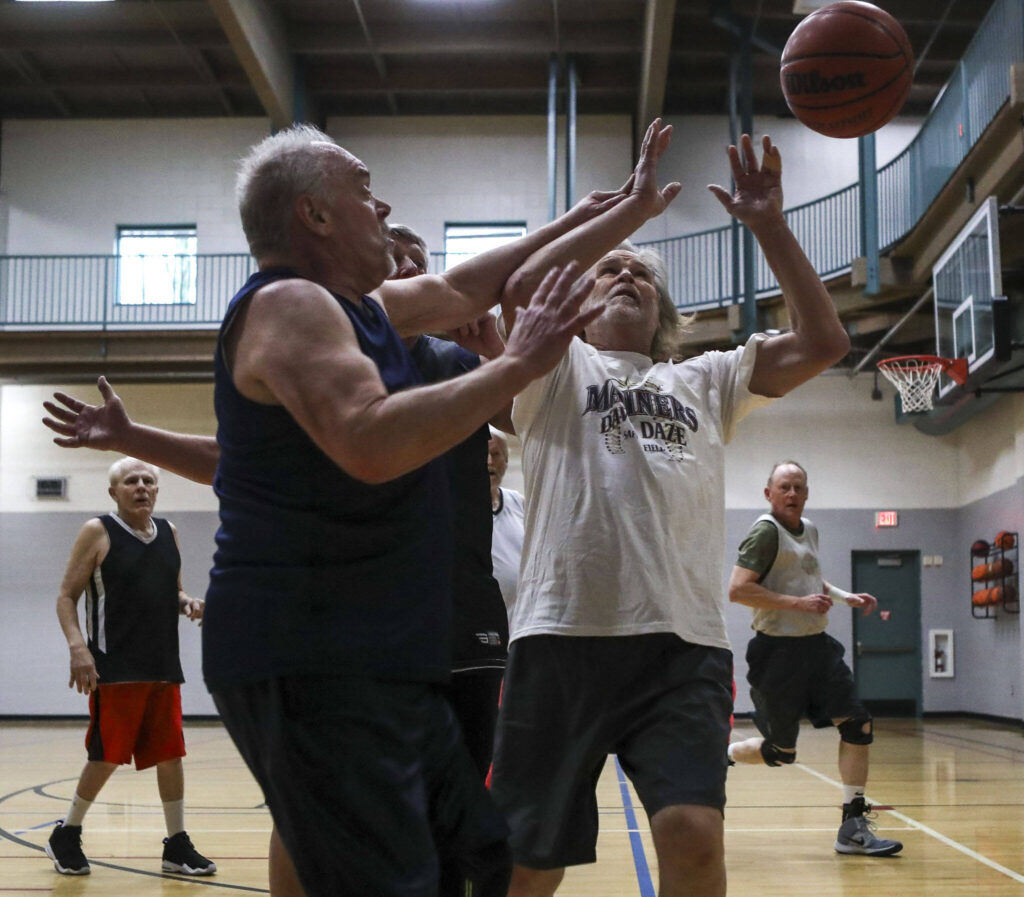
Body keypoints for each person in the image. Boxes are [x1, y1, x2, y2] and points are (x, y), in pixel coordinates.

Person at [42, 120, 681, 897]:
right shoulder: (289, 307)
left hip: (377, 647)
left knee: (480, 849)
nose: (381, 208)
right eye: (364, 190)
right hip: (305, 648)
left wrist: (618, 212)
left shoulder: (362, 308)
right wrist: (516, 361)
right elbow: (370, 443)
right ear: (313, 214)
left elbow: (466, 288)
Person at [489, 134, 851, 897]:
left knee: (692, 835)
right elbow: (521, 285)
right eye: (611, 269)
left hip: (683, 646)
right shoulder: (553, 364)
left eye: (642, 275)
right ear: (581, 301)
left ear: (663, 311)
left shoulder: (706, 380)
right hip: (561, 636)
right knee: (527, 858)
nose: (625, 273)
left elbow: (825, 340)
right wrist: (627, 217)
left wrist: (770, 225)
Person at [46, 458, 214, 878]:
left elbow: (172, 591)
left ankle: (176, 845)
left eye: (148, 481)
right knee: (106, 757)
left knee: (171, 754)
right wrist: (78, 648)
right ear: (113, 492)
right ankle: (66, 833)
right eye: (131, 481)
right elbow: (66, 595)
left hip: (162, 663)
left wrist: (188, 602)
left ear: (157, 490)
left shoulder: (169, 533)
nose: (141, 487)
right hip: (115, 664)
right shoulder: (97, 531)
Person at [726, 460, 903, 857]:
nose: (792, 494)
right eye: (784, 487)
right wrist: (797, 604)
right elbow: (738, 590)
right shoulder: (764, 533)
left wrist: (845, 597)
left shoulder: (812, 530)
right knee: (781, 753)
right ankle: (724, 754)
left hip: (817, 647)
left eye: (799, 487)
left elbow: (808, 579)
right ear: (768, 493)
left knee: (858, 724)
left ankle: (852, 826)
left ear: (807, 493)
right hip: (777, 653)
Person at [487, 427, 525, 610]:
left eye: (495, 454)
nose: (489, 462)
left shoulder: (519, 503)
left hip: (519, 623)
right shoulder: (458, 506)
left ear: (507, 461)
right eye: (484, 454)